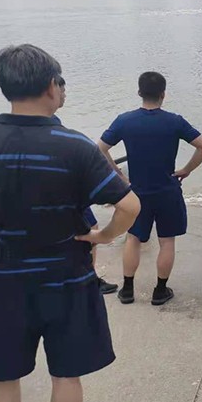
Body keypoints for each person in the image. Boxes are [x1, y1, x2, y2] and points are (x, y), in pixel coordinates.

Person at [0, 44, 140, 402]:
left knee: (3, 375)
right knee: (66, 375)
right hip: (67, 279)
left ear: (5, 87)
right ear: (50, 86)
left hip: (3, 281)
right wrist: (102, 235)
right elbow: (130, 205)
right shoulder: (75, 146)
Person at [99, 72, 202, 306]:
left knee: (133, 238)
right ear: (163, 94)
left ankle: (127, 290)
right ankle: (160, 291)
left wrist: (119, 175)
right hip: (167, 191)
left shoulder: (124, 121)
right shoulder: (175, 121)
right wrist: (186, 170)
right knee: (167, 241)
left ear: (139, 92)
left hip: (137, 192)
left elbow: (100, 148)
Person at [55, 76, 118, 295]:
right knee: (90, 230)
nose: (65, 94)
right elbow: (129, 206)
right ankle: (88, 279)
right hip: (68, 192)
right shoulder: (66, 136)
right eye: (62, 89)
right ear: (51, 90)